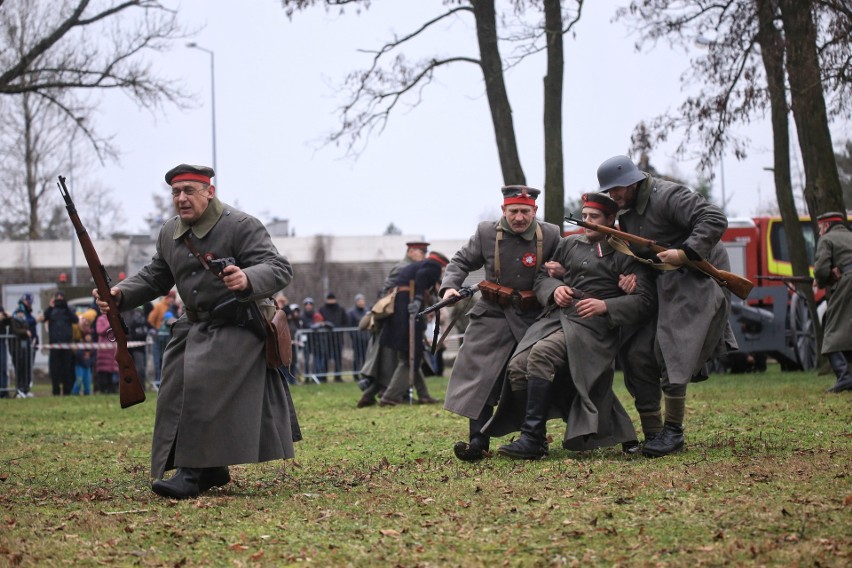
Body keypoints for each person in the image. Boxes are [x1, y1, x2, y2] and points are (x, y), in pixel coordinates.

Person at [95, 163, 300, 499]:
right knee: (173, 391)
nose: (181, 198)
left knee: (202, 388)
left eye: (189, 190)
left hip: (238, 324)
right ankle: (211, 469)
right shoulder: (170, 232)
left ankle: (192, 473)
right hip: (194, 325)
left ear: (210, 192)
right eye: (176, 192)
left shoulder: (241, 225)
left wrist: (248, 278)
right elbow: (155, 276)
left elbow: (279, 267)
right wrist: (120, 294)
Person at [489, 193, 657, 459]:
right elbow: (543, 276)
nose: (586, 222)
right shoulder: (569, 245)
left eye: (594, 217)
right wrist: (555, 289)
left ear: (611, 219)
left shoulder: (625, 252)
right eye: (585, 216)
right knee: (518, 366)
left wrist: (607, 306)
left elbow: (645, 301)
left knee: (541, 355)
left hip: (593, 329)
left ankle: (531, 440)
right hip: (556, 319)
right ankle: (535, 437)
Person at [597, 154, 736, 457]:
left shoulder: (668, 195)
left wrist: (684, 253)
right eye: (609, 191)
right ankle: (654, 433)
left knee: (670, 347)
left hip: (700, 276)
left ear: (632, 182)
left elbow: (714, 219)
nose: (613, 196)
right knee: (637, 352)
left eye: (616, 189)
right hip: (665, 281)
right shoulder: (629, 213)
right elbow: (645, 256)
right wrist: (634, 279)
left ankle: (674, 432)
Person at [440, 186, 562, 461]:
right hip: (493, 312)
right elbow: (460, 261)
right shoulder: (486, 232)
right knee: (478, 374)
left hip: (534, 316)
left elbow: (568, 263)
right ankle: (477, 442)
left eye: (525, 211)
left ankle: (534, 438)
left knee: (530, 371)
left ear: (535, 211)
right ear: (503, 210)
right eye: (513, 211)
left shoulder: (551, 234)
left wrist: (561, 273)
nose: (519, 217)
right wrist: (449, 287)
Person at [357, 241, 430, 407]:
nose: (424, 256)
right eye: (421, 252)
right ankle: (376, 395)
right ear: (411, 251)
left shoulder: (413, 268)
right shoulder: (403, 267)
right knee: (392, 363)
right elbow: (388, 293)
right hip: (395, 320)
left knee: (402, 360)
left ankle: (417, 394)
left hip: (401, 320)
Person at [378, 251, 449, 406]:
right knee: (411, 357)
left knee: (412, 356)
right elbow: (422, 278)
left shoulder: (418, 265)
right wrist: (417, 300)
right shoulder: (433, 266)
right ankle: (390, 396)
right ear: (443, 264)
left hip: (401, 312)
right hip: (408, 313)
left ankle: (424, 395)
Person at [813, 212, 852, 393]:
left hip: (846, 284)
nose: (820, 233)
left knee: (832, 330)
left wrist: (821, 281)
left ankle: (844, 377)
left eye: (821, 228)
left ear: (826, 225)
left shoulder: (827, 239)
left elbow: (821, 270)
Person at [43, 291, 79, 396]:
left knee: (67, 369)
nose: (59, 300)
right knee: (55, 370)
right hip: (54, 346)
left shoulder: (67, 311)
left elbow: (75, 319)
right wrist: (50, 307)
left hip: (66, 346)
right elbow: (44, 317)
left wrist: (66, 307)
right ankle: (56, 391)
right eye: (57, 298)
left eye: (61, 298)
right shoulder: (51, 311)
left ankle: (67, 391)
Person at [148, 290, 176, 387]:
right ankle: (157, 383)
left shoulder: (172, 308)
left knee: (166, 360)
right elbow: (151, 319)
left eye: (174, 298)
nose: (172, 300)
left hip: (168, 338)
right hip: (159, 337)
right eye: (171, 298)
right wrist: (156, 329)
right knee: (157, 361)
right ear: (167, 298)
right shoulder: (159, 306)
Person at [319, 292, 348, 381]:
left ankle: (338, 376)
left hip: (338, 338)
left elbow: (345, 322)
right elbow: (319, 321)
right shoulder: (322, 309)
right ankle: (324, 376)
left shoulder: (341, 309)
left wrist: (339, 330)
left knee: (338, 357)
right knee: (325, 357)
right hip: (326, 338)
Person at [347, 293, 370, 380]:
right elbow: (350, 326)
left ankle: (365, 374)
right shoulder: (351, 313)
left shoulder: (367, 311)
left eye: (362, 300)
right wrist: (354, 336)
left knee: (366, 357)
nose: (361, 302)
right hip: (357, 339)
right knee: (357, 357)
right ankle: (356, 373)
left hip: (366, 338)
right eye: (359, 301)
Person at [94, 311, 119, 394]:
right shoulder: (100, 319)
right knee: (103, 371)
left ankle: (111, 388)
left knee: (111, 371)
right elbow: (100, 331)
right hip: (103, 350)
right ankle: (102, 389)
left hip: (112, 350)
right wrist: (110, 324)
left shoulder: (115, 318)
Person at [72, 316, 96, 396]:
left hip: (87, 365)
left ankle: (87, 393)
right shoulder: (80, 341)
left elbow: (94, 355)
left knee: (87, 381)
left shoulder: (92, 344)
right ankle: (75, 393)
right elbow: (78, 353)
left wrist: (90, 361)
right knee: (79, 380)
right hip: (80, 365)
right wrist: (84, 358)